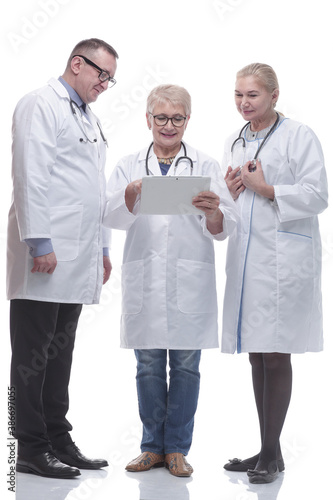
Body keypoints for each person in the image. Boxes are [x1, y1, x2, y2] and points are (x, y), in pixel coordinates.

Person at [103, 84, 238, 477]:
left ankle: (176, 448)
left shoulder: (206, 165)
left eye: (177, 118)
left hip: (188, 280)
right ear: (147, 119)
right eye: (160, 117)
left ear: (187, 121)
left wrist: (214, 211)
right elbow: (111, 218)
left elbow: (222, 230)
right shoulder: (130, 164)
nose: (168, 125)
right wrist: (130, 193)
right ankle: (151, 448)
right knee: (147, 365)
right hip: (145, 277)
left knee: (185, 367)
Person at [7, 38, 118, 479]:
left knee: (60, 352)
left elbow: (95, 188)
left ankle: (58, 438)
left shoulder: (87, 118)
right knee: (32, 354)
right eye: (102, 74)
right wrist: (39, 242)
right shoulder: (41, 104)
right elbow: (29, 172)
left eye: (111, 78)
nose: (107, 84)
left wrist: (104, 247)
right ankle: (30, 447)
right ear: (77, 63)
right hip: (46, 254)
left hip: (77, 255)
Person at [222, 63, 328, 484]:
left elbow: (318, 194)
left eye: (252, 95)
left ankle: (269, 452)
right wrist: (232, 190)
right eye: (238, 95)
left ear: (274, 95)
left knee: (275, 352)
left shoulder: (299, 136)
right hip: (249, 259)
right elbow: (236, 197)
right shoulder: (235, 140)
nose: (244, 103)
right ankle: (270, 450)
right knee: (256, 350)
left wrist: (266, 189)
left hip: (284, 263)